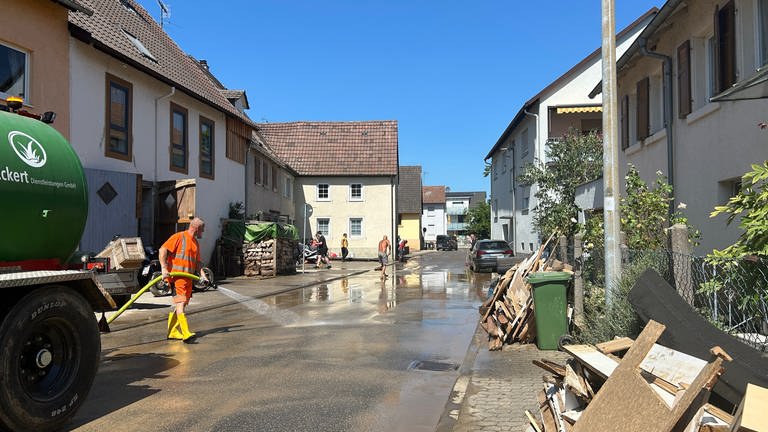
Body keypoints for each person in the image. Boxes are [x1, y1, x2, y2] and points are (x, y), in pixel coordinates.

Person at [160, 217, 208, 342]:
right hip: (177, 278)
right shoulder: (179, 237)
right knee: (180, 303)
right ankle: (185, 332)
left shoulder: (195, 243)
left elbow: (197, 263)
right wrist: (164, 268)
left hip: (188, 279)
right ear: (197, 228)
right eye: (202, 230)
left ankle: (173, 332)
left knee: (183, 304)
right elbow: (162, 249)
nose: (202, 233)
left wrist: (203, 275)